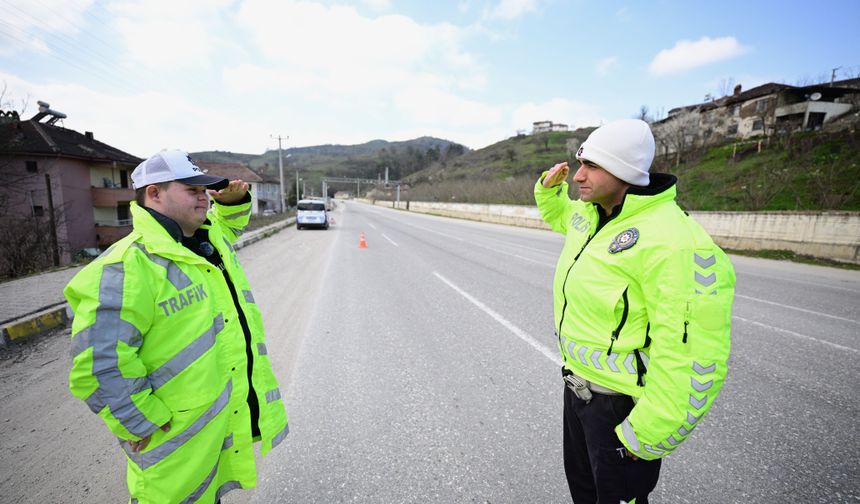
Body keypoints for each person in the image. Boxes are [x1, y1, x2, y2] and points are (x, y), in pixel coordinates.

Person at [66, 150, 289, 503]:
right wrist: (140, 422)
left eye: (205, 190)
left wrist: (234, 202)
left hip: (211, 433)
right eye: (192, 190)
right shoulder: (125, 268)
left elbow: (229, 225)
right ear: (154, 193)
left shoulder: (204, 240)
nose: (204, 198)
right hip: (173, 446)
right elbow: (99, 365)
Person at [534, 119, 735, 503]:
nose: (578, 177)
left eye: (591, 166)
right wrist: (548, 190)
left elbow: (695, 360)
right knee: (585, 495)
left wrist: (642, 439)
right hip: (578, 394)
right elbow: (562, 216)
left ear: (623, 172)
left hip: (620, 411)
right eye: (580, 165)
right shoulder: (592, 216)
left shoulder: (676, 243)